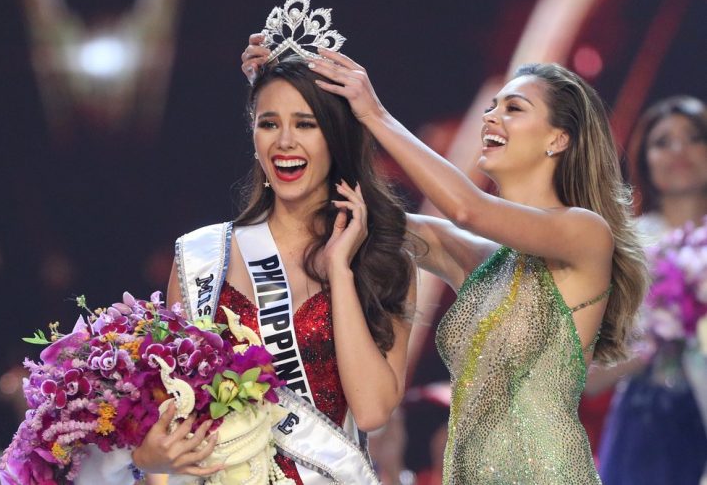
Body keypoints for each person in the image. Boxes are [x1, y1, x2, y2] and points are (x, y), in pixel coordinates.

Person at [242, 37, 648, 483]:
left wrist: (374, 112)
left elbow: (466, 208)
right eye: (492, 106)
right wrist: (289, 100)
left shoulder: (586, 232)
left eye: (513, 108)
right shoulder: (481, 260)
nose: (491, 116)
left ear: (558, 138)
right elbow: (354, 209)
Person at [129, 51, 416, 483]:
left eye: (305, 123)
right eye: (269, 123)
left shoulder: (383, 260)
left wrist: (340, 271)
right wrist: (149, 458)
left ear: (336, 137)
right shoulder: (204, 254)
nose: (284, 141)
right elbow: (174, 406)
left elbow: (373, 411)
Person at [590, 95, 707, 485]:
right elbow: (585, 377)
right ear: (644, 159)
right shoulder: (624, 246)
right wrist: (660, 336)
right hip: (646, 429)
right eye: (662, 142)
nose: (678, 150)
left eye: (693, 137)